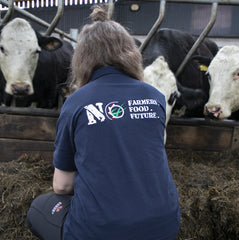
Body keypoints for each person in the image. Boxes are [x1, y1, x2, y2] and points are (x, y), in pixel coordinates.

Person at [27, 5, 180, 240]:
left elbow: (62, 186)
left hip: (99, 231)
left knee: (39, 207)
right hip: (165, 225)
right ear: (131, 53)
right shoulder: (155, 97)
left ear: (83, 57)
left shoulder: (77, 102)